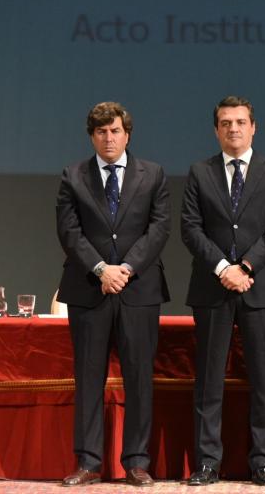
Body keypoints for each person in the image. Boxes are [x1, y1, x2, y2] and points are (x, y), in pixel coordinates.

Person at [56, 101, 170, 487]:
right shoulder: (73, 176)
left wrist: (126, 269)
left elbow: (158, 229)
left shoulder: (152, 174)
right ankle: (88, 462)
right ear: (92, 135)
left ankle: (137, 461)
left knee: (140, 378)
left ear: (128, 134)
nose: (109, 138)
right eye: (101, 131)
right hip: (90, 288)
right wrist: (102, 269)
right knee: (89, 378)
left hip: (139, 289)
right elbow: (69, 232)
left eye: (115, 131)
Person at [180, 96, 265, 486]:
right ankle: (208, 462)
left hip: (258, 287)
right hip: (212, 287)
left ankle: (263, 460)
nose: (233, 128)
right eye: (225, 123)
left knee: (264, 378)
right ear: (216, 130)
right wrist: (223, 268)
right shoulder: (199, 171)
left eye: (241, 122)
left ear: (254, 127)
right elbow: (190, 228)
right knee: (209, 379)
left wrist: (245, 266)